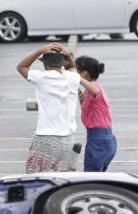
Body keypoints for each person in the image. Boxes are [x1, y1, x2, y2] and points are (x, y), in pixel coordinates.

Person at [17, 43, 81, 173]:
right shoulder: (73, 78)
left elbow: (21, 67)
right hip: (68, 140)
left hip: (46, 139)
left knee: (33, 180)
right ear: (62, 63)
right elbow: (72, 67)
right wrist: (68, 56)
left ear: (44, 64)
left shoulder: (41, 77)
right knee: (61, 182)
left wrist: (39, 50)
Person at [75, 56, 116, 172]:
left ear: (86, 73)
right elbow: (88, 110)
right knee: (96, 175)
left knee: (90, 175)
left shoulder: (95, 86)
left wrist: (77, 78)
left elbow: (95, 90)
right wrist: (81, 100)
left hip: (99, 139)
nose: (77, 73)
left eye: (79, 71)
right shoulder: (89, 90)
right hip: (100, 137)